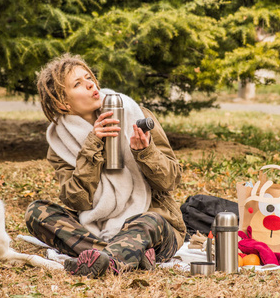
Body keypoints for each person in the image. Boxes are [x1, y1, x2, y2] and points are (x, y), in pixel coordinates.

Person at [25, 53, 186, 278]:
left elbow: (171, 181)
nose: (91, 84)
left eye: (89, 77)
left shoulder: (136, 114)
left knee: (150, 222)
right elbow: (77, 200)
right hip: (96, 226)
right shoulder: (60, 143)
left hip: (151, 222)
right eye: (78, 84)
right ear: (63, 103)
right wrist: (92, 146)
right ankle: (127, 256)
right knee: (37, 212)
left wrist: (145, 152)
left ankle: (104, 258)